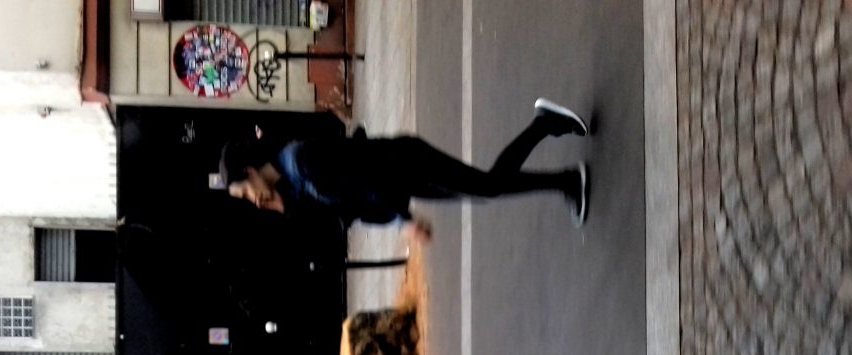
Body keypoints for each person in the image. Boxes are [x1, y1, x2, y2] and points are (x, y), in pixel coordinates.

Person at [219, 98, 590, 233]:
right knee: (482, 189)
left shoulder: (301, 162)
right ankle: (566, 181)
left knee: (487, 185)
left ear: (250, 171)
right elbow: (345, 211)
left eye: (245, 193)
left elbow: (365, 182)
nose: (252, 200)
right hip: (403, 177)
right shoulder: (292, 183)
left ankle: (545, 124)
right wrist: (285, 208)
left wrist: (405, 220)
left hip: (405, 162)